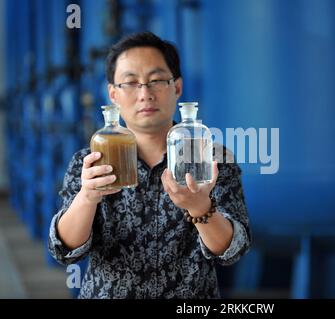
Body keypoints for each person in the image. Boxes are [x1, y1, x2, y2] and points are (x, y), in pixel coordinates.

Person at [48, 32, 251, 299]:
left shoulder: (211, 157)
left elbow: (232, 250)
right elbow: (64, 249)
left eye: (156, 80)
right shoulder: (91, 162)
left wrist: (200, 207)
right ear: (113, 94)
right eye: (130, 83)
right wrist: (87, 197)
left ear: (177, 87)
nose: (145, 93)